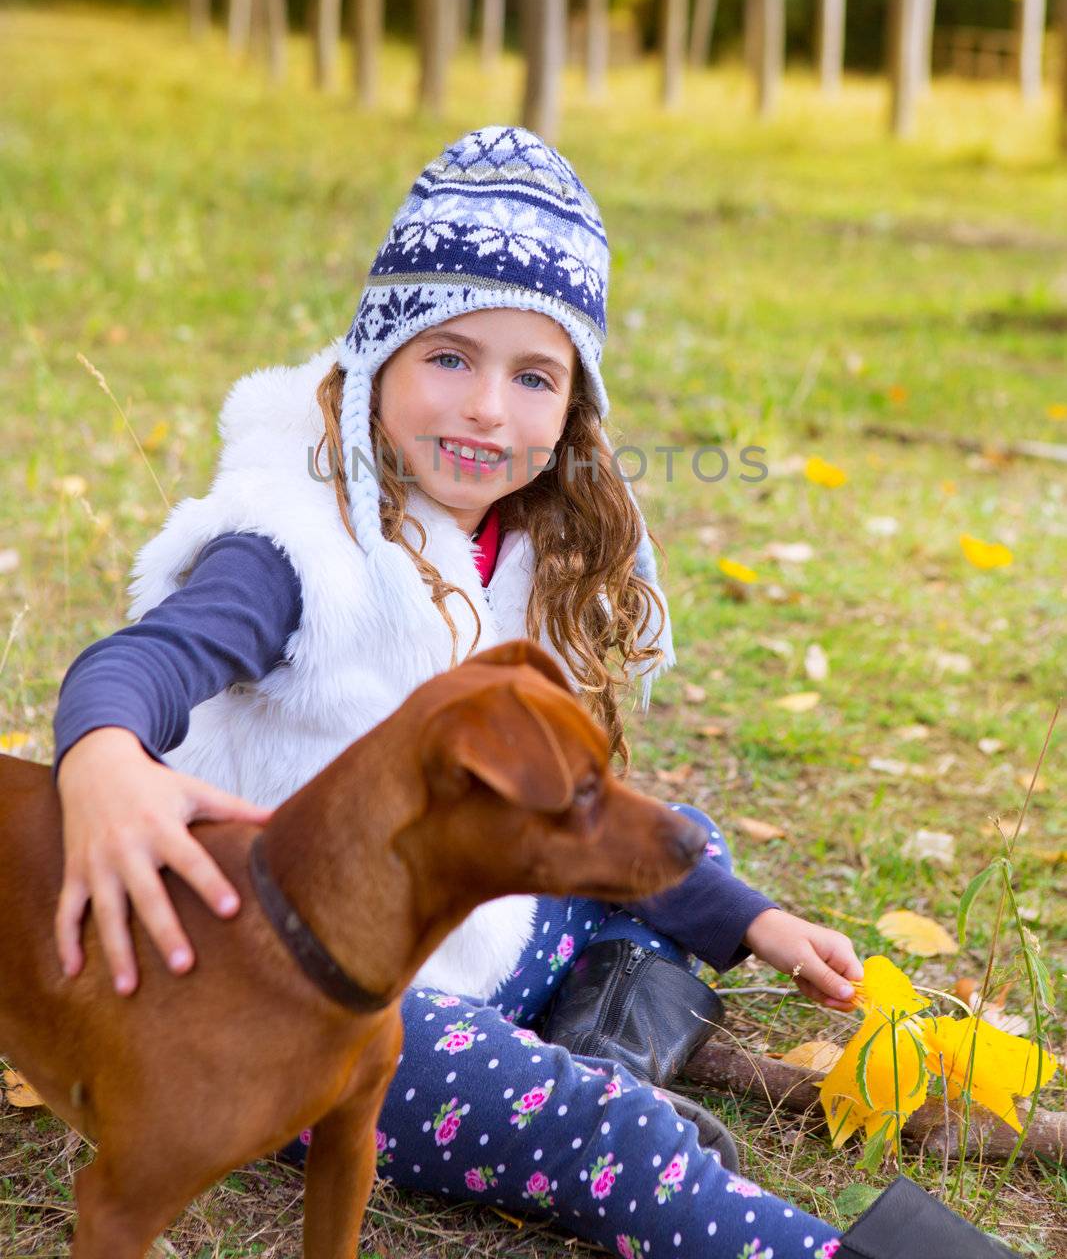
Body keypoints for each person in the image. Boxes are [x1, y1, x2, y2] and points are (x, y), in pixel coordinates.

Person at [52, 127, 1010, 1259]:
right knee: (610, 1137)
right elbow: (140, 662)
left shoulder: (515, 545)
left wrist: (752, 920)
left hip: (469, 925)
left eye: (532, 376)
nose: (485, 412)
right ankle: (770, 1218)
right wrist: (105, 756)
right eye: (447, 357)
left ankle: (596, 1043)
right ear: (375, 355)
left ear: (571, 411)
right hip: (303, 1000)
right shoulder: (293, 543)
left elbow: (566, 806)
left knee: (665, 844)